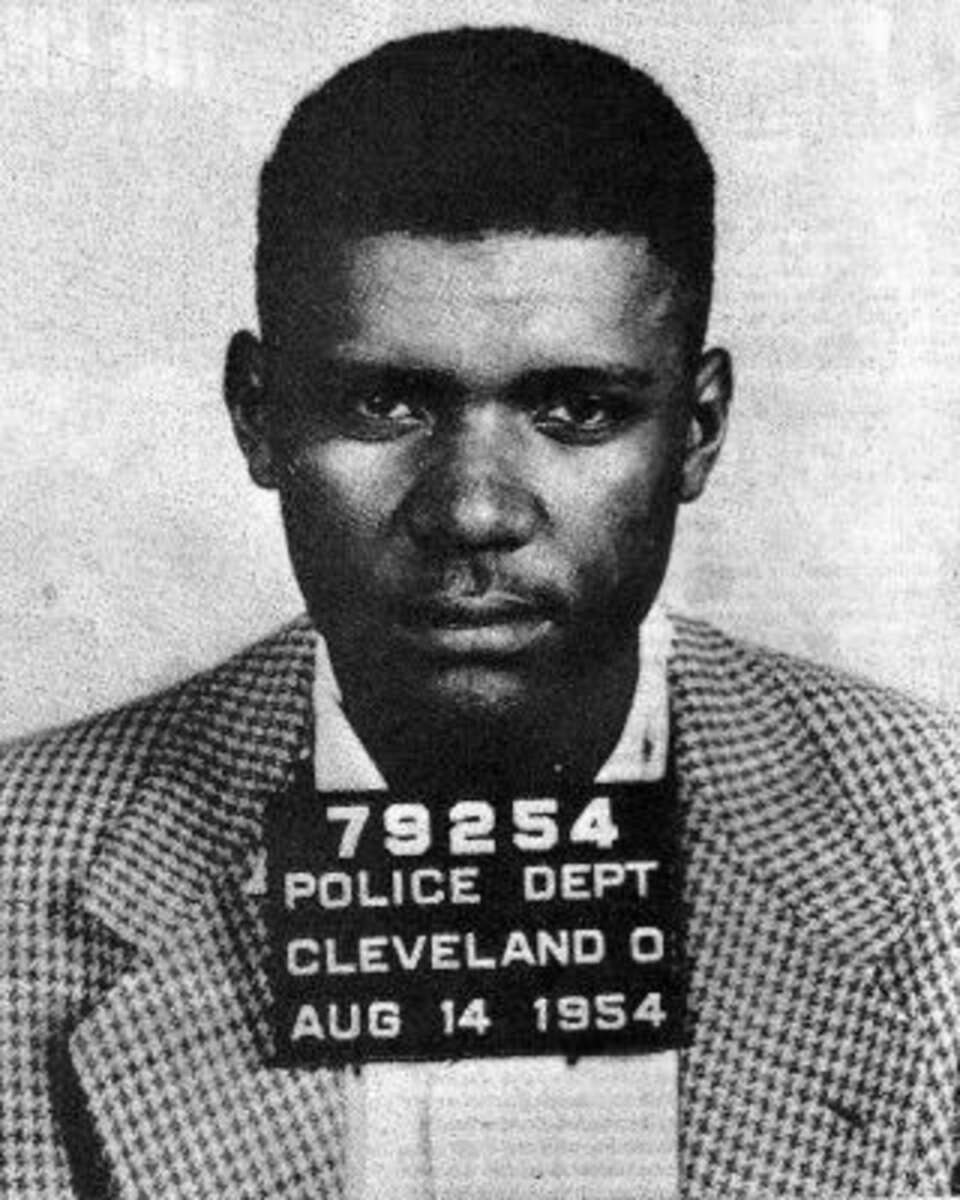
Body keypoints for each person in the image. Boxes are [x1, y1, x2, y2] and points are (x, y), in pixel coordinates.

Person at [2, 25, 959, 1200]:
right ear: (257, 414)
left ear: (699, 430)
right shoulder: (15, 867)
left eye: (577, 411)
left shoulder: (935, 842)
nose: (472, 511)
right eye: (386, 402)